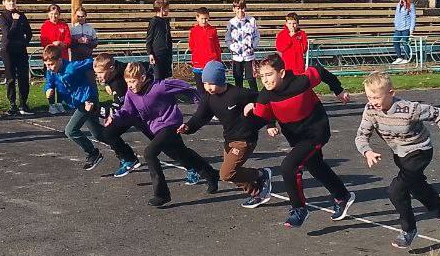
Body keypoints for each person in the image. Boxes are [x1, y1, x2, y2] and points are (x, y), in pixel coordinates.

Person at [354, 71, 440, 249]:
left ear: (391, 93)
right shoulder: (370, 110)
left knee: (396, 190)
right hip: (400, 155)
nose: (373, 101)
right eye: (369, 97)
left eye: (377, 97)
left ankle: (409, 230)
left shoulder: (409, 109)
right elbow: (361, 136)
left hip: (420, 150)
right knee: (417, 188)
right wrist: (367, 151)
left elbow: (439, 114)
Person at [245, 52, 353, 228]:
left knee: (289, 166)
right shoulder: (265, 96)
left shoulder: (301, 81)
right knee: (315, 166)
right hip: (296, 136)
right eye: (262, 76)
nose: (265, 80)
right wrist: (250, 111)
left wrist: (338, 90)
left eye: (269, 74)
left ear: (281, 73)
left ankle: (299, 209)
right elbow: (259, 120)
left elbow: (321, 71)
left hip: (316, 130)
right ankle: (342, 196)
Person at [105, 61, 218, 208]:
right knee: (181, 154)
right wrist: (115, 117)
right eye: (128, 82)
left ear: (143, 78)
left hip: (171, 125)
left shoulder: (161, 86)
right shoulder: (131, 94)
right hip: (156, 129)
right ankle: (211, 174)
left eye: (133, 81)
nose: (130, 85)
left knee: (149, 153)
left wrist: (204, 106)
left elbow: (188, 88)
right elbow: (127, 110)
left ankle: (161, 194)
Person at [178, 59, 272, 208]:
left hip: (245, 138)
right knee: (231, 174)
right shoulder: (208, 99)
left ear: (221, 80)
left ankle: (259, 179)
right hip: (229, 139)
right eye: (205, 83)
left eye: (211, 83)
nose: (207, 87)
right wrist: (188, 127)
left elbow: (264, 98)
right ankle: (257, 186)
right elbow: (200, 117)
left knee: (226, 174)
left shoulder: (237, 94)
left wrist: (266, 119)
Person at [42, 43, 104, 171]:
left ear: (59, 60)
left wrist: (113, 71)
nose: (49, 68)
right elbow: (49, 82)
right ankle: (126, 154)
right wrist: (48, 89)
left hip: (87, 101)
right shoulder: (51, 72)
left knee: (70, 130)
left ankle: (92, 153)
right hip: (78, 104)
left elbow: (93, 62)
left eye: (51, 64)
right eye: (46, 65)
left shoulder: (72, 67)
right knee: (99, 134)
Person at [93, 52, 145, 178]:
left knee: (162, 141)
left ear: (111, 68)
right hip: (131, 110)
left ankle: (192, 165)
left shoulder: (118, 83)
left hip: (140, 111)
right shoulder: (117, 71)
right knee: (108, 133)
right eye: (96, 73)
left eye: (100, 73)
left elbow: (118, 108)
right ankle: (129, 158)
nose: (98, 77)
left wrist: (95, 109)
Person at [0, 0, 34, 116]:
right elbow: (8, 34)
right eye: (8, 1)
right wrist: (14, 22)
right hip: (8, 51)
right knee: (11, 78)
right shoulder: (3, 17)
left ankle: (23, 104)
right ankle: (12, 104)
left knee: (23, 77)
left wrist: (24, 43)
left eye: (13, 1)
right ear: (4, 3)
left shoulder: (21, 15)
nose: (11, 3)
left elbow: (29, 33)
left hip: (20, 50)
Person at [225, 0, 260, 89]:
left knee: (251, 79)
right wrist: (232, 47)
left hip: (249, 56)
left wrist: (252, 46)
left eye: (242, 8)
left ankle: (255, 98)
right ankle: (240, 100)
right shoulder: (231, 22)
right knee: (238, 79)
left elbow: (256, 35)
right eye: (238, 8)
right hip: (237, 56)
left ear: (245, 8)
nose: (240, 11)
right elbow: (227, 38)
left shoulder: (252, 20)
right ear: (234, 9)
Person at [188, 7, 222, 90]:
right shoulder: (193, 31)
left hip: (211, 63)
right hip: (198, 63)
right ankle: (201, 103)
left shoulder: (213, 30)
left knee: (211, 88)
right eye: (202, 19)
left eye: (206, 19)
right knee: (200, 88)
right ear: (197, 18)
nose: (204, 21)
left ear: (209, 17)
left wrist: (218, 60)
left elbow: (217, 46)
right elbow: (191, 46)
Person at [145, 0, 173, 82]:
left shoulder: (165, 21)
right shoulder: (154, 21)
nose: (168, 10)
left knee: (165, 79)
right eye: (167, 8)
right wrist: (150, 53)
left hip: (166, 53)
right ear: (161, 8)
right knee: (157, 78)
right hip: (157, 54)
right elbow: (149, 38)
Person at [392, 0, 416, 64]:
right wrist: (395, 23)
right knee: (395, 41)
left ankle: (406, 58)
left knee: (405, 43)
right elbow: (396, 15)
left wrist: (411, 29)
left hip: (406, 27)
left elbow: (413, 18)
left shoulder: (410, 5)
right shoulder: (398, 4)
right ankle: (399, 57)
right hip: (398, 28)